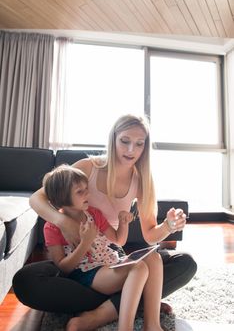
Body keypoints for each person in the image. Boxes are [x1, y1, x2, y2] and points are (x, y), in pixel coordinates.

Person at [13, 114, 197, 330]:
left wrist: (168, 226)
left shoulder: (142, 180)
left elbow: (149, 235)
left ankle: (112, 315)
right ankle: (134, 302)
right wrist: (64, 222)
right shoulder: (87, 168)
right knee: (26, 280)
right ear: (113, 139)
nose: (131, 150)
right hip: (81, 265)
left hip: (108, 258)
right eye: (125, 141)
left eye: (139, 144)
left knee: (180, 262)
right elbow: (37, 198)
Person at [42, 164, 164, 331]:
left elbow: (118, 240)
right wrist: (85, 243)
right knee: (139, 268)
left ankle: (152, 326)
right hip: (88, 273)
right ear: (62, 198)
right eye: (80, 192)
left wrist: (123, 223)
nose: (88, 194)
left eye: (86, 189)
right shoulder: (52, 227)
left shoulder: (94, 213)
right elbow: (63, 267)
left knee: (153, 258)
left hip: (111, 263)